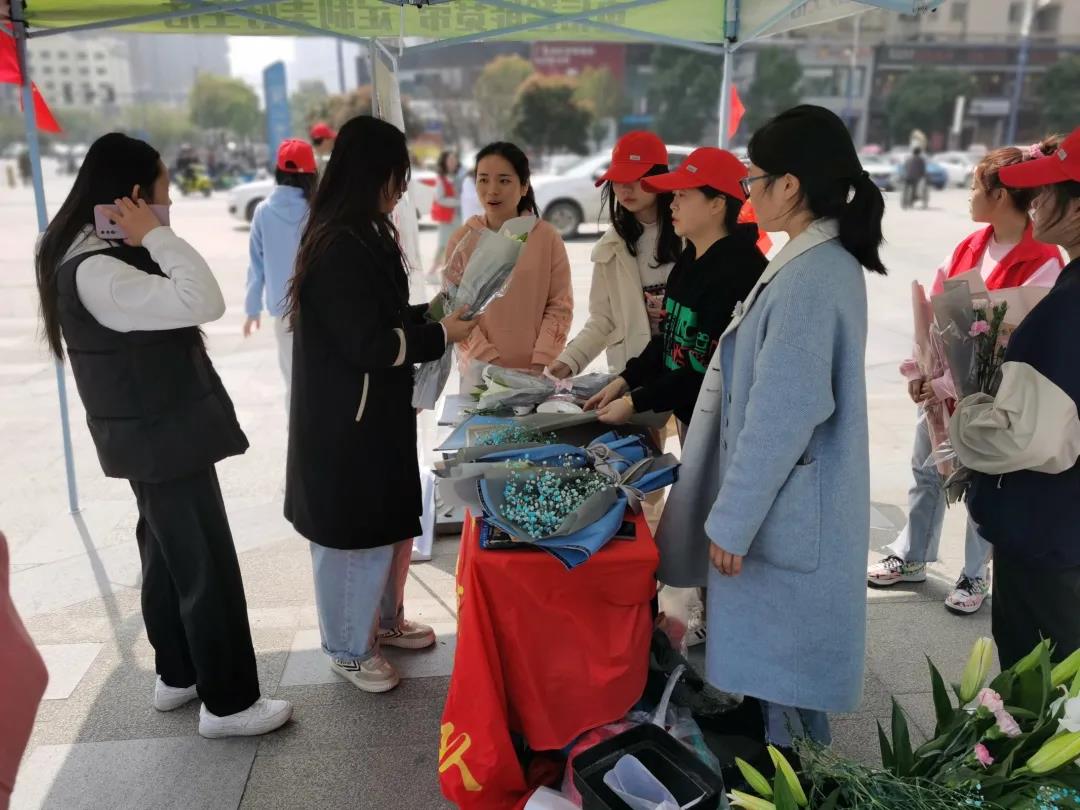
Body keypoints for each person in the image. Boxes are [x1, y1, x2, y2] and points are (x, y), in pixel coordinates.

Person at [34, 133, 291, 738]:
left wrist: (145, 235)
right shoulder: (101, 269)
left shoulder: (82, 250)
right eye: (162, 193)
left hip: (148, 433)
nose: (168, 203)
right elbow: (205, 299)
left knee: (168, 554)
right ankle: (228, 704)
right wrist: (154, 235)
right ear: (131, 196)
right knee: (205, 564)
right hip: (162, 434)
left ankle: (178, 673)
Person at [655, 106, 886, 752]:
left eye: (753, 177)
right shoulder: (809, 259)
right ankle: (763, 723)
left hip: (788, 495)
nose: (748, 190)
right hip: (787, 493)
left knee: (789, 644)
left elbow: (782, 413)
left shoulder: (814, 274)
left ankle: (794, 766)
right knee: (775, 637)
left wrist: (733, 518)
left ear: (790, 185)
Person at [284, 116, 476, 693]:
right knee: (355, 538)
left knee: (389, 526)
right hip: (348, 423)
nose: (402, 188)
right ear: (373, 174)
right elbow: (366, 343)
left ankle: (383, 621)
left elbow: (382, 318)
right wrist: (439, 335)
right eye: (397, 175)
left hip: (376, 415)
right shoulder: (339, 244)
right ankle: (348, 648)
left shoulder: (363, 231)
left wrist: (432, 314)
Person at [868, 140, 1065, 614]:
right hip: (940, 394)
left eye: (977, 187)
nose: (970, 195)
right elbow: (934, 316)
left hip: (995, 401)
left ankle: (975, 574)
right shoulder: (968, 247)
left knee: (983, 481)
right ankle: (912, 554)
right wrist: (920, 371)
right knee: (925, 472)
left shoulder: (1043, 262)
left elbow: (1018, 346)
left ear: (1000, 195)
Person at [950, 125, 1080, 668]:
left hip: (1049, 538)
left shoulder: (1068, 307)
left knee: (1040, 691)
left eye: (1047, 190)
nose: (1035, 202)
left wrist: (967, 413)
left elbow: (1025, 436)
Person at [583, 147, 767, 435]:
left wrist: (634, 402)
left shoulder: (740, 273)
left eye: (682, 195)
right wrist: (624, 381)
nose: (672, 205)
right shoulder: (690, 258)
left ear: (717, 204)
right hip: (691, 413)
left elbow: (705, 370)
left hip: (725, 424)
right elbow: (667, 339)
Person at [548, 131, 683, 381]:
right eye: (618, 179)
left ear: (659, 177)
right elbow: (603, 320)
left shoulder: (690, 234)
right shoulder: (610, 248)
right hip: (632, 379)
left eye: (635, 178)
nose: (625, 188)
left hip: (686, 377)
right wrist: (568, 361)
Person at [445, 142, 572, 388]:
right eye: (483, 180)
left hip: (537, 375)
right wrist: (488, 363)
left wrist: (541, 362)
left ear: (524, 186)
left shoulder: (546, 237)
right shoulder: (462, 239)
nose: (492, 190)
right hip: (480, 376)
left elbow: (560, 306)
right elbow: (453, 310)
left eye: (504, 181)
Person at [243, 138, 318, 407]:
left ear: (278, 171)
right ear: (311, 174)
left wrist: (252, 310)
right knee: (322, 381)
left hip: (284, 311)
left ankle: (296, 433)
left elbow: (256, 266)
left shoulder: (263, 212)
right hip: (321, 310)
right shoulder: (318, 211)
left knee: (293, 383)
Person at [430, 150, 462, 274]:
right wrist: (458, 202)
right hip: (447, 217)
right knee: (443, 244)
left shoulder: (458, 177)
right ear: (444, 162)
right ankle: (432, 271)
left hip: (457, 216)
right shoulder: (441, 179)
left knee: (456, 244)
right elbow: (440, 199)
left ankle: (447, 271)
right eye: (450, 160)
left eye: (454, 160)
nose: (453, 162)